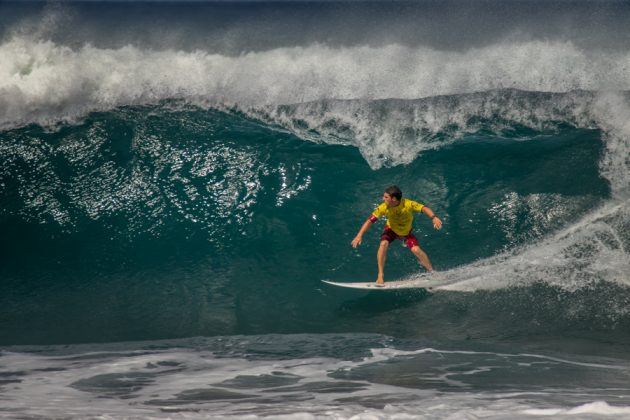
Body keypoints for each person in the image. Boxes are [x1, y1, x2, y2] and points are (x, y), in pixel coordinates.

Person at [351, 185, 442, 285]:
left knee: (416, 250)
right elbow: (369, 221)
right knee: (383, 244)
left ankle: (432, 273)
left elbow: (424, 208)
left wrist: (433, 217)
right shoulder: (383, 207)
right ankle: (380, 275)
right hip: (391, 230)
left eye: (386, 197)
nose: (383, 198)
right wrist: (359, 235)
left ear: (394, 199)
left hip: (405, 233)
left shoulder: (408, 204)